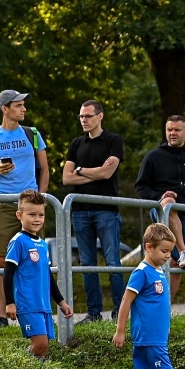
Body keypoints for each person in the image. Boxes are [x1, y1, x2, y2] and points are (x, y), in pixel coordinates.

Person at [0, 89, 48, 327]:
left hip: (30, 202)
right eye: (19, 105)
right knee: (0, 260)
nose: (24, 109)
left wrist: (42, 197)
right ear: (5, 109)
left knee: (37, 258)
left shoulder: (33, 133)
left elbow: (44, 169)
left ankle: (40, 309)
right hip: (3, 204)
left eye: (24, 105)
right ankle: (0, 315)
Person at [63, 99, 126, 323]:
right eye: (81, 116)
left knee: (112, 262)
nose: (84, 120)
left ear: (100, 116)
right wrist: (94, 170)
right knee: (87, 264)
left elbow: (107, 174)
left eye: (88, 116)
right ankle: (93, 313)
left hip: (106, 210)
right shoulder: (76, 144)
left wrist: (80, 170)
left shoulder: (113, 141)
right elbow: (66, 177)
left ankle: (121, 310)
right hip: (80, 211)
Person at [134, 115, 185, 294]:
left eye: (176, 130)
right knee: (169, 203)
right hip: (163, 213)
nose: (172, 133)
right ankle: (184, 250)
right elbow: (141, 186)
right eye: (169, 130)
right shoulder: (154, 156)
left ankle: (167, 311)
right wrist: (159, 196)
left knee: (176, 264)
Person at [112, 222, 183, 369]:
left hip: (156, 336)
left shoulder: (158, 271)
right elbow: (126, 301)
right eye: (164, 251)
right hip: (149, 336)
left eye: (170, 252)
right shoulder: (141, 272)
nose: (168, 256)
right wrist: (120, 331)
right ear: (149, 248)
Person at [2, 189, 72, 358]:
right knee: (40, 344)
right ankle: (18, 364)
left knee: (44, 347)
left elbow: (47, 276)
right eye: (32, 214)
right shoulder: (18, 241)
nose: (37, 219)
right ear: (20, 215)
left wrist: (61, 302)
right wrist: (10, 303)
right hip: (28, 304)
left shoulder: (41, 244)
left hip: (44, 305)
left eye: (40, 215)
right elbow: (7, 274)